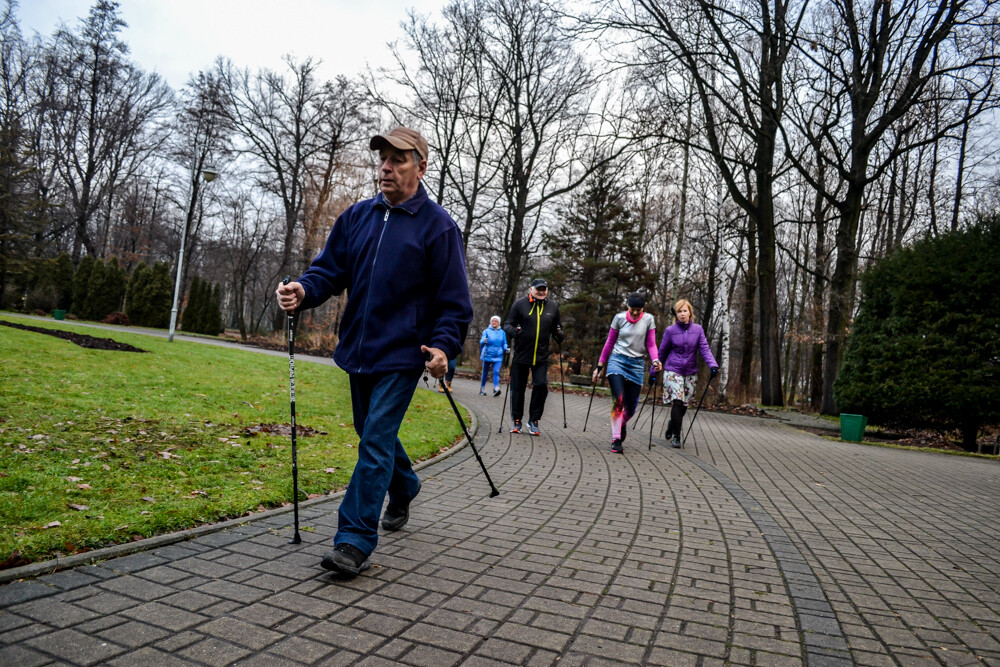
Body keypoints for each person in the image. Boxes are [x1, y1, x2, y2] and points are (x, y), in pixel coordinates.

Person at [275, 126, 473, 578]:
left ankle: (354, 539)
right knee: (370, 432)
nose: (386, 166)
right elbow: (328, 271)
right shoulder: (357, 217)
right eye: (383, 158)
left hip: (405, 355)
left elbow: (455, 303)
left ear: (420, 168)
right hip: (359, 351)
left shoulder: (439, 227)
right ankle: (405, 485)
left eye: (398, 159)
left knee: (375, 441)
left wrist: (443, 347)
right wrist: (302, 290)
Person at [592, 293, 662, 453]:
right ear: (627, 307)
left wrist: (655, 360)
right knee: (619, 399)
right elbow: (609, 342)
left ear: (643, 308)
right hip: (617, 361)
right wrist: (600, 366)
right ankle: (616, 439)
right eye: (633, 309)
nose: (635, 313)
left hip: (637, 365)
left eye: (639, 309)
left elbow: (651, 344)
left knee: (631, 408)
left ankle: (621, 423)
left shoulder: (649, 320)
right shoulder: (619, 318)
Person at [502, 278, 563, 435]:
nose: (541, 291)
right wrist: (514, 332)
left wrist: (559, 334)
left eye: (544, 289)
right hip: (522, 355)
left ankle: (534, 421)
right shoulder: (520, 305)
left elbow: (558, 328)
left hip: (541, 356)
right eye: (538, 289)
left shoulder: (553, 307)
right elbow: (507, 324)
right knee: (518, 389)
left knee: (541, 386)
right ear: (531, 289)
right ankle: (517, 421)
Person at [658, 298, 718, 448]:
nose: (682, 314)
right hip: (673, 370)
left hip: (690, 372)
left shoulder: (698, 330)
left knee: (684, 404)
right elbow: (662, 353)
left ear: (690, 312)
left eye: (685, 311)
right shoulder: (670, 331)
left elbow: (704, 349)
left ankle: (673, 424)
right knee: (677, 401)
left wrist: (713, 365)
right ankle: (677, 436)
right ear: (676, 314)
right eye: (679, 311)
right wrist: (654, 371)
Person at [479, 315, 508, 396]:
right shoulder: (486, 331)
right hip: (487, 355)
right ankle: (483, 388)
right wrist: (484, 341)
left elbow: (504, 343)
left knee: (496, 372)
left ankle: (496, 388)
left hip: (498, 356)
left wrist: (506, 348)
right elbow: (481, 341)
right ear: (490, 322)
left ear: (499, 323)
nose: (494, 322)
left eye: (496, 321)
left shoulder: (502, 332)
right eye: (493, 321)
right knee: (485, 372)